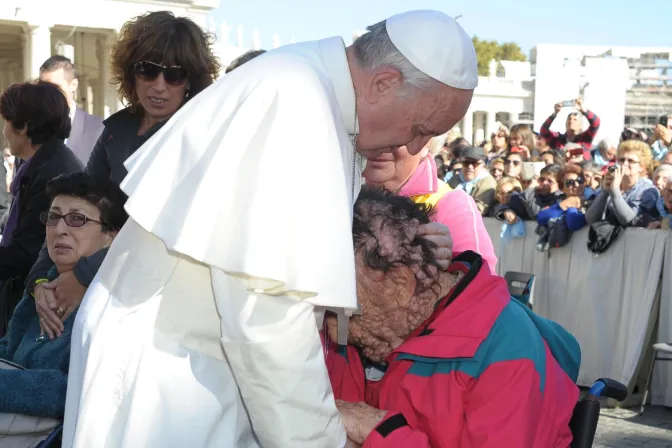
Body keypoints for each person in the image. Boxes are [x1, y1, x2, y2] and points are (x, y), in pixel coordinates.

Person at [62, 10, 477, 448]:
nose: (413, 147)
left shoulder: (305, 88)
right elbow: (267, 320)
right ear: (384, 83)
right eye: (419, 128)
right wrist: (323, 439)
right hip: (167, 378)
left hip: (192, 362)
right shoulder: (296, 103)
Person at [326, 187, 580, 446]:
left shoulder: (506, 350)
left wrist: (382, 433)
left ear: (400, 286)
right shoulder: (375, 328)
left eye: (343, 296)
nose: (331, 324)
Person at [26, 10, 220, 340]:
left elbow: (156, 235)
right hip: (93, 290)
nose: (159, 86)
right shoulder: (118, 129)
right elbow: (73, 209)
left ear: (190, 81)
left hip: (153, 304)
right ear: (132, 73)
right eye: (148, 71)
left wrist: (83, 276)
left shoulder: (193, 139)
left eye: (174, 75)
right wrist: (40, 281)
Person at [0, 173, 126, 446]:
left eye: (77, 219)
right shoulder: (43, 287)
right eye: (54, 217)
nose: (59, 229)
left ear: (110, 238)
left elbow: (76, 391)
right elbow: (9, 347)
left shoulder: (111, 307)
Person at [0, 81, 83, 335]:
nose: (3, 130)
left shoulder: (51, 172)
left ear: (23, 127)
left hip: (43, 301)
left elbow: (25, 252)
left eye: (6, 121)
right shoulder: (43, 162)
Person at [364, 143, 497, 272]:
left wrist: (443, 275)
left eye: (397, 132)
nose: (381, 143)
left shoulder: (452, 203)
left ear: (426, 142)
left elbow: (482, 283)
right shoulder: (349, 193)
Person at [38, 56, 104, 165]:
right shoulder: (30, 129)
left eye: (55, 87)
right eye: (42, 86)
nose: (47, 93)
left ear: (73, 85)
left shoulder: (99, 129)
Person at [447, 145, 496, 216]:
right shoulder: (455, 179)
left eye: (475, 163)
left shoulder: (488, 182)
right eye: (466, 163)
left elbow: (479, 209)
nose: (470, 167)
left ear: (483, 165)